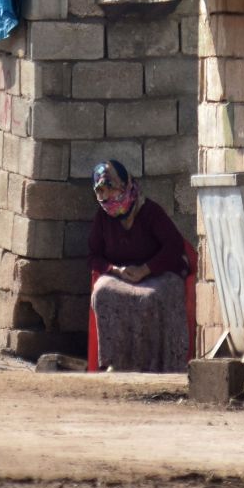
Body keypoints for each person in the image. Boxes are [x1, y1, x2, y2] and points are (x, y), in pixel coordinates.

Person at [87, 160, 191, 373]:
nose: (107, 198)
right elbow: (94, 256)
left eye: (112, 188)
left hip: (161, 272)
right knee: (103, 292)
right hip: (122, 275)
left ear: (126, 186)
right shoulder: (103, 218)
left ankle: (157, 366)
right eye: (101, 192)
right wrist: (115, 270)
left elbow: (174, 246)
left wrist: (146, 269)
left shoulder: (150, 212)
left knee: (150, 298)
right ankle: (115, 363)